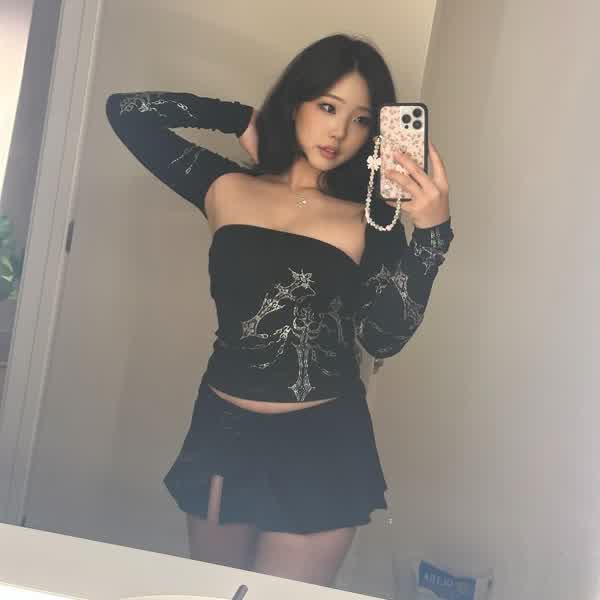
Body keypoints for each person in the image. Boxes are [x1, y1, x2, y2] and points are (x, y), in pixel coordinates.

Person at [105, 33, 453, 587]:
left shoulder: (372, 217)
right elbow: (126, 112)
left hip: (322, 443)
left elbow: (383, 338)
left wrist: (432, 234)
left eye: (361, 119)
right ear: (295, 103)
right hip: (223, 432)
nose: (340, 132)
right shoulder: (225, 186)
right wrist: (239, 117)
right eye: (328, 107)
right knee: (216, 593)